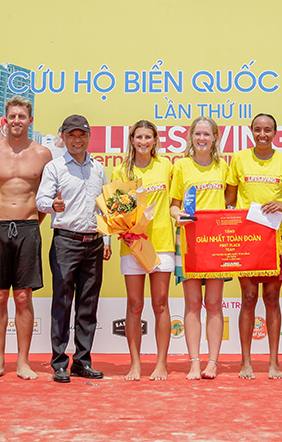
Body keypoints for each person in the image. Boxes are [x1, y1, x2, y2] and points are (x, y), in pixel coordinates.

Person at [0, 97, 53, 381]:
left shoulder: (43, 154)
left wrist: (31, 222)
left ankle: (23, 362)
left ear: (30, 121)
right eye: (12, 116)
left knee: (23, 297)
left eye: (22, 116)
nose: (17, 121)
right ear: (5, 120)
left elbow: (44, 198)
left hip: (28, 228)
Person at [36, 114, 112, 383]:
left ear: (89, 137)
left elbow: (106, 205)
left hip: (93, 242)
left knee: (88, 305)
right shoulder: (54, 167)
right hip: (65, 241)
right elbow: (41, 199)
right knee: (62, 303)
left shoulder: (99, 168)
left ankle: (82, 361)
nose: (77, 140)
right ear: (63, 138)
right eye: (71, 135)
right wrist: (51, 206)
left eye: (81, 135)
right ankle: (59, 362)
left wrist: (108, 240)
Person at [225, 113, 282, 379]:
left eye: (267, 130)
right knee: (248, 298)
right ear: (251, 132)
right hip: (246, 240)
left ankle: (273, 362)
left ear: (275, 133)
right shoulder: (239, 159)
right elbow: (229, 200)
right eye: (257, 130)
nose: (262, 135)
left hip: (275, 238)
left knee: (271, 299)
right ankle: (245, 362)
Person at [169, 116, 229, 380]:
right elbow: (173, 204)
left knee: (214, 302)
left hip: (216, 243)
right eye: (197, 134)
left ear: (215, 137)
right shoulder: (181, 166)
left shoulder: (223, 167)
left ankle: (212, 362)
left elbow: (230, 203)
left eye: (207, 134)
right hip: (189, 241)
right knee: (193, 303)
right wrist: (177, 215)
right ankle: (194, 362)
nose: (202, 139)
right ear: (191, 137)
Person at [116, 120, 174, 381]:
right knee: (135, 304)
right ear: (132, 140)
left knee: (160, 304)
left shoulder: (166, 166)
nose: (142, 141)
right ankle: (135, 364)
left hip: (161, 244)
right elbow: (117, 211)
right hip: (133, 244)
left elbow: (176, 203)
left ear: (155, 140)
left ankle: (161, 363)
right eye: (138, 137)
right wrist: (125, 232)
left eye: (147, 137)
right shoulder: (121, 170)